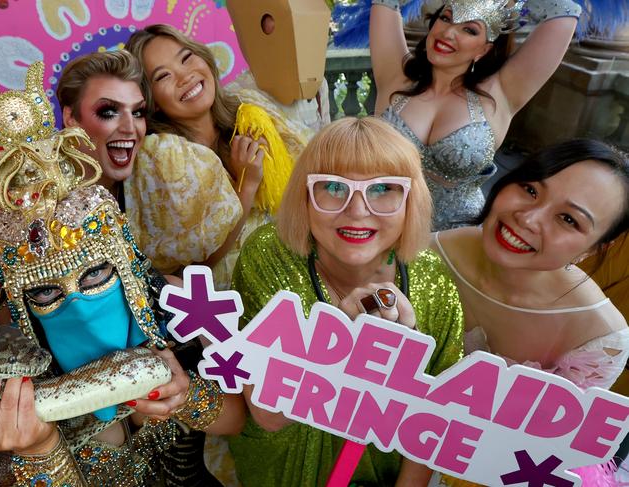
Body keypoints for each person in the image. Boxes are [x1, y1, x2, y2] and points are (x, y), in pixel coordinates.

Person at [0, 62, 245, 486]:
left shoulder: (166, 301)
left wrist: (184, 396)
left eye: (93, 279)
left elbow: (237, 417)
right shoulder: (8, 358)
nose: (77, 305)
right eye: (47, 293)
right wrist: (39, 452)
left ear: (121, 263)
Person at [228, 117, 464, 487]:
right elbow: (269, 415)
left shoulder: (432, 280)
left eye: (384, 188)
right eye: (333, 187)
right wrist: (334, 341)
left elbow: (434, 424)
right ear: (304, 196)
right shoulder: (269, 254)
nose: (356, 211)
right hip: (284, 468)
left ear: (411, 200)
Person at [415, 139, 629, 486]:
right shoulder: (424, 254)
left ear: (595, 248)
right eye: (530, 189)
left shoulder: (597, 337)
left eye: (567, 219)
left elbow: (538, 454)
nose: (528, 218)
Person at [370, 0, 581, 230]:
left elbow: (565, 12)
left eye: (469, 29)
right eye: (446, 18)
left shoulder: (502, 93)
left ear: (484, 49)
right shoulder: (395, 75)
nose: (448, 33)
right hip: (379, 225)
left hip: (454, 245)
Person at [125, 24, 302, 289]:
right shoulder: (162, 158)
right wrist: (247, 185)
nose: (185, 76)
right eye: (163, 76)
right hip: (228, 307)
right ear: (152, 100)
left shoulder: (249, 113)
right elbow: (193, 272)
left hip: (286, 283)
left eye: (186, 58)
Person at [56, 50, 146, 207]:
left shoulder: (155, 189)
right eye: (109, 112)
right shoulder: (38, 200)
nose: (130, 127)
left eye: (137, 112)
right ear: (70, 118)